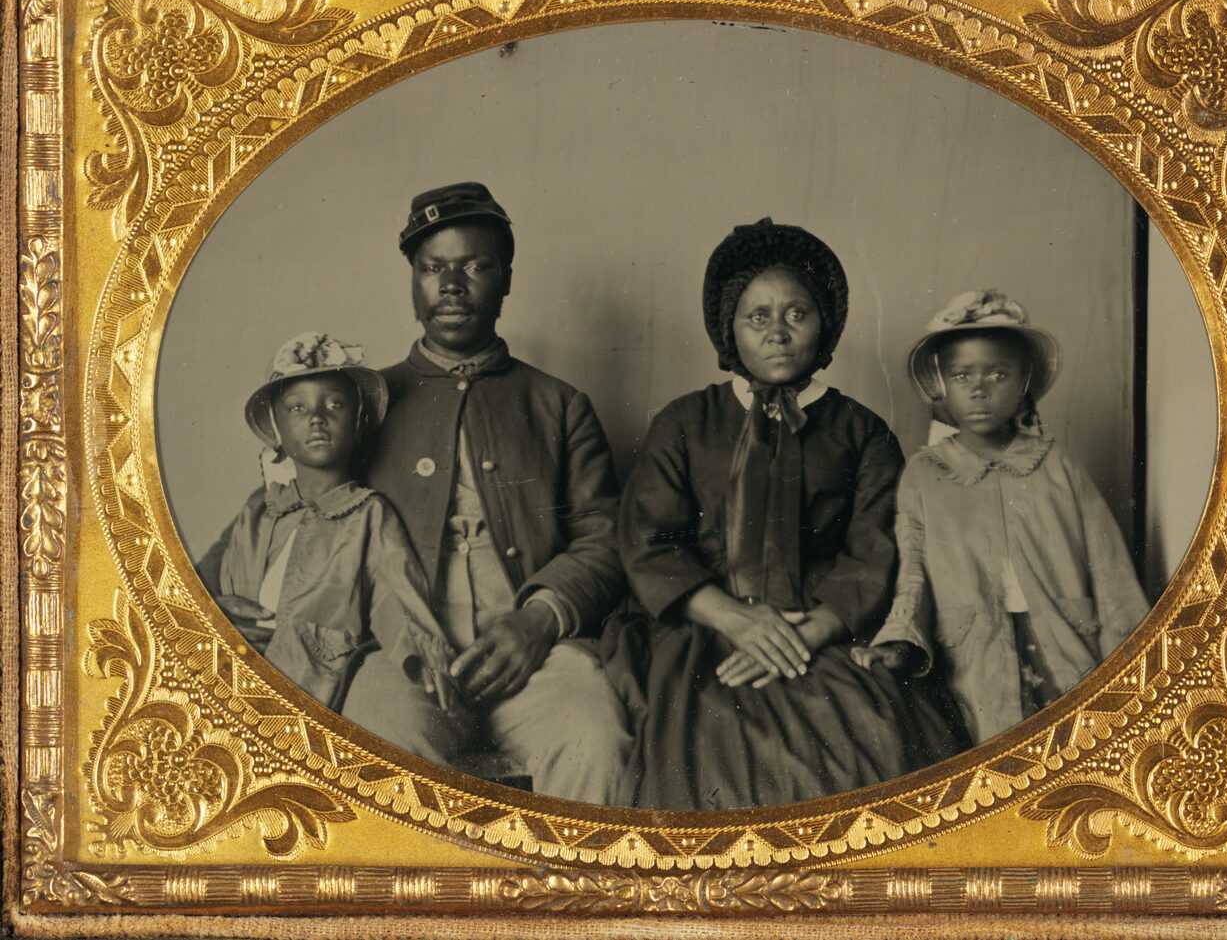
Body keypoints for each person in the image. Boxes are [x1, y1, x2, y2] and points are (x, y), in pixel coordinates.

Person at [607, 218, 968, 810]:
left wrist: (812, 631)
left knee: (871, 742)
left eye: (797, 315)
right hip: (706, 629)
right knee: (704, 757)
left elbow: (876, 548)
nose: (778, 333)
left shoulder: (860, 432)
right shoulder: (683, 423)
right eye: (758, 317)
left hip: (821, 631)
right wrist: (735, 619)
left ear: (824, 324)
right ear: (730, 328)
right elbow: (650, 543)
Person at [341, 182, 631, 804]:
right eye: (433, 268)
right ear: (413, 281)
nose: (452, 284)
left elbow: (605, 538)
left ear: (505, 280)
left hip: (536, 653)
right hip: (401, 654)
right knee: (378, 745)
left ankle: (578, 901)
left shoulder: (558, 405)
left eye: (475, 266)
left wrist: (537, 619)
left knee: (595, 738)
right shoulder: (364, 405)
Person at [852, 290, 1152, 745]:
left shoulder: (1056, 466)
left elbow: (1110, 572)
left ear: (1024, 383)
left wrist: (1131, 666)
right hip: (973, 656)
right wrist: (898, 639)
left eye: (998, 374)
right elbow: (913, 573)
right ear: (942, 386)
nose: (979, 388)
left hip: (1067, 645)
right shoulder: (925, 474)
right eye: (962, 375)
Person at [200, 331, 473, 757]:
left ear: (358, 421)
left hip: (318, 678)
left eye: (335, 405)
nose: (317, 418)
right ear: (276, 428)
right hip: (240, 674)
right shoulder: (259, 511)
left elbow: (396, 597)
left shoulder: (367, 514)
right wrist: (217, 610)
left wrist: (422, 656)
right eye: (297, 408)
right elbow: (205, 586)